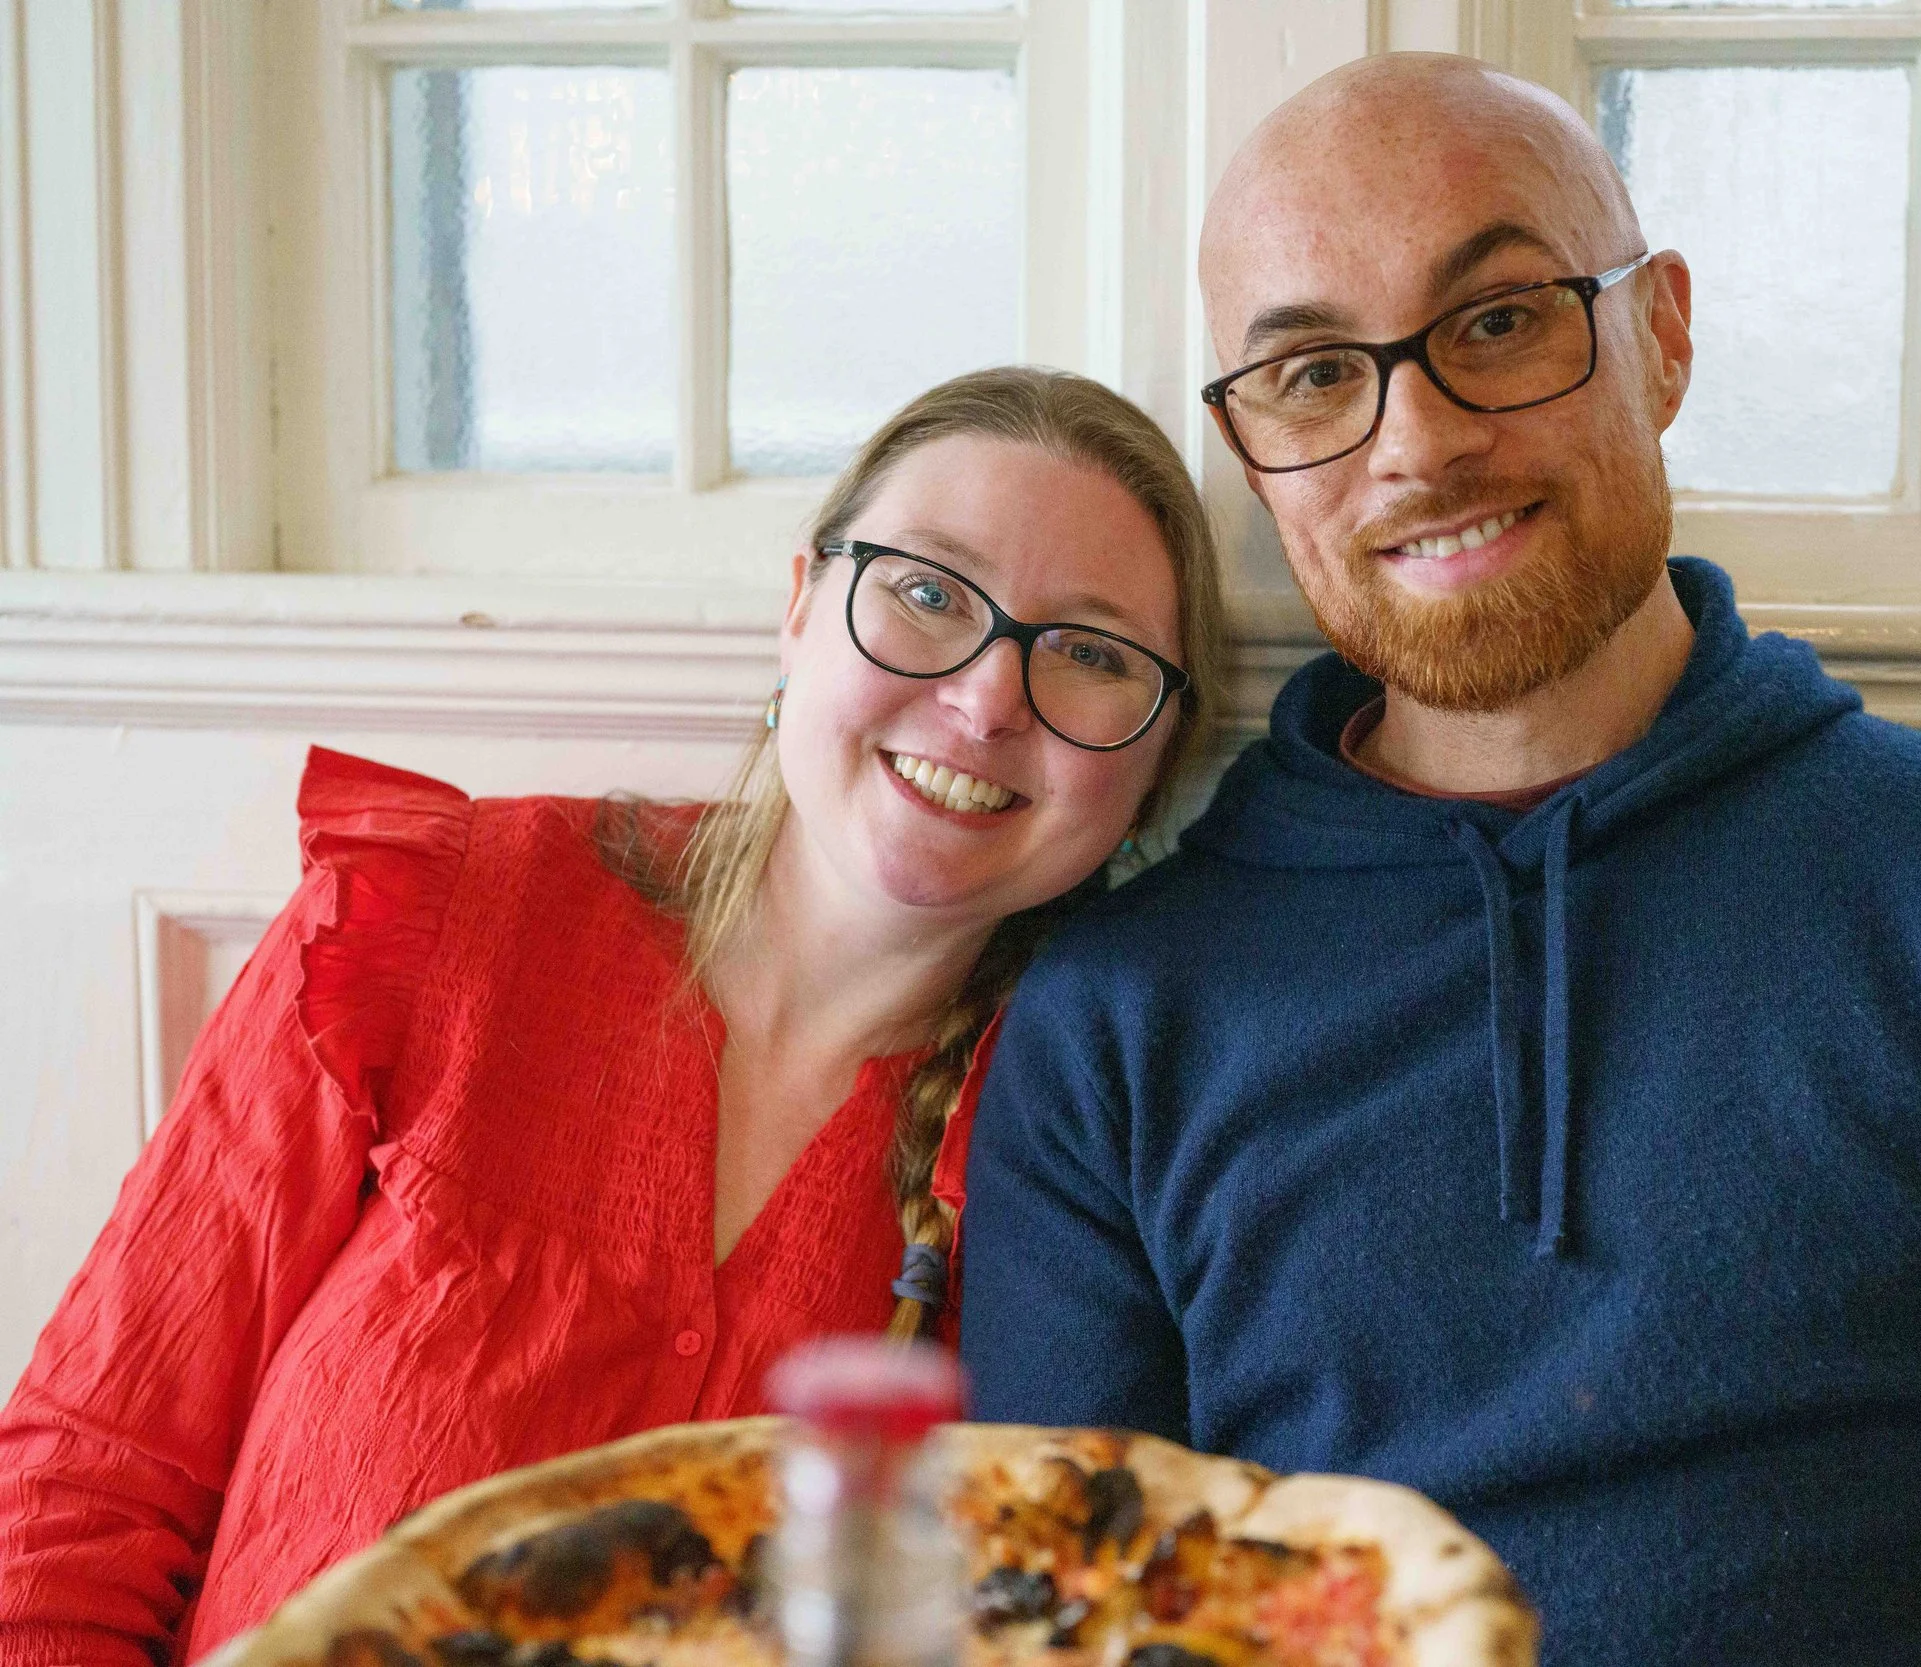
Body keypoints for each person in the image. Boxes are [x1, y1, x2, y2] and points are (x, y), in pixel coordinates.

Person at [960, 56, 1921, 1666]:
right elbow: (1062, 1634)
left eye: (1501, 321)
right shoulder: (1118, 1018)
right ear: (1250, 442)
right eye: (1314, 375)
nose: (1418, 442)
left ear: (1665, 336)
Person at [0, 366, 1224, 1666]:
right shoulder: (437, 918)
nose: (984, 699)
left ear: (1153, 767)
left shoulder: (1093, 1160)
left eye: (1091, 653)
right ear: (800, 608)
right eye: (928, 592)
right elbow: (78, 1496)